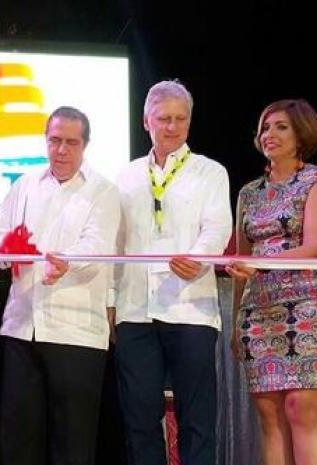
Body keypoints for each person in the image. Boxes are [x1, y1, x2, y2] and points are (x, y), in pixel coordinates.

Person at [0, 106, 120, 465]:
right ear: (45, 140)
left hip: (75, 332)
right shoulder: (24, 184)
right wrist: (6, 250)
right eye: (55, 141)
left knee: (73, 445)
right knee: (17, 440)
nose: (61, 150)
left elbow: (98, 246)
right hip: (21, 328)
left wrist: (66, 261)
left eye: (70, 143)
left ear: (85, 146)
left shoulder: (103, 191)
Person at [111, 80, 232, 465]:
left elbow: (218, 227)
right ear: (147, 121)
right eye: (164, 118)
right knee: (139, 418)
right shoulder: (125, 176)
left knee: (197, 418)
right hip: (135, 311)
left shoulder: (210, 172)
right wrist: (111, 302)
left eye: (181, 119)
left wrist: (199, 257)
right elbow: (114, 244)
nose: (173, 127)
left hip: (190, 308)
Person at [226, 99, 317, 465]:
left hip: (310, 304)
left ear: (301, 135)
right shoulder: (249, 193)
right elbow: (241, 261)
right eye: (265, 127)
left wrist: (259, 264)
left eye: (281, 127)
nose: (270, 134)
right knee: (272, 416)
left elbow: (316, 245)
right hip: (257, 311)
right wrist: (235, 321)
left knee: (302, 407)